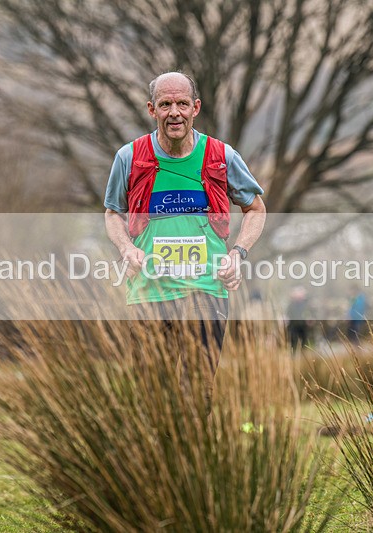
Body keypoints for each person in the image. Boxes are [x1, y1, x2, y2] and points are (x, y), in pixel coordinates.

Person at [103, 71, 266, 413]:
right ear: (152, 109)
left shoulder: (221, 156)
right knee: (152, 396)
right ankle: (157, 466)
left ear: (196, 108)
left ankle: (193, 467)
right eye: (165, 104)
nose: (174, 112)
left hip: (207, 290)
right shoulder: (129, 157)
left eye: (181, 103)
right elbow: (112, 213)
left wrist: (237, 253)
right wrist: (125, 247)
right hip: (149, 291)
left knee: (198, 394)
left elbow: (255, 209)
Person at [286, 286, 313, 354]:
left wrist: (309, 320)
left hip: (303, 327)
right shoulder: (291, 305)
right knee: (293, 342)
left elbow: (310, 315)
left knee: (303, 343)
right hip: (293, 327)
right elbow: (288, 315)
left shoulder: (306, 305)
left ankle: (303, 355)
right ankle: (293, 355)